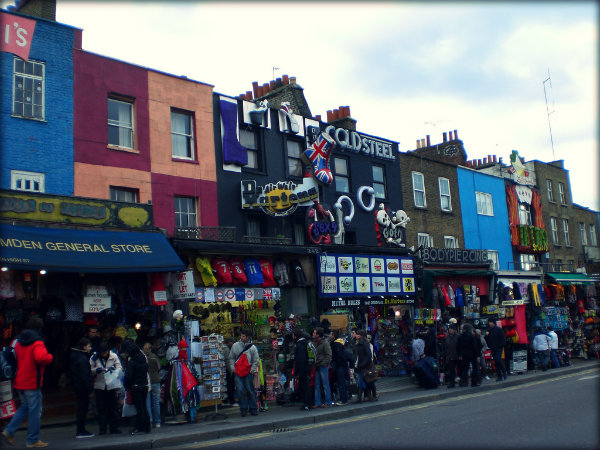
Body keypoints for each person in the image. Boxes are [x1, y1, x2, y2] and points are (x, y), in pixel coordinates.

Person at [1, 315, 53, 448]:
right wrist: (50, 357)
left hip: (19, 379)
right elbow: (41, 358)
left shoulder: (19, 341)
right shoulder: (37, 342)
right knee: (35, 410)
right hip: (31, 381)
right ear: (40, 327)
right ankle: (32, 439)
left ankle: (9, 431)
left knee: (25, 406)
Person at [90, 340, 123, 435]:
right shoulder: (94, 357)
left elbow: (120, 368)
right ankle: (102, 429)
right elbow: (90, 369)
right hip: (99, 386)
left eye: (105, 352)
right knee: (101, 408)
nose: (103, 354)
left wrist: (114, 370)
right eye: (102, 353)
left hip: (111, 385)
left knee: (113, 407)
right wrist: (96, 370)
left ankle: (114, 428)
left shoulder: (114, 356)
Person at [121, 339, 151, 434]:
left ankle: (140, 426)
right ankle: (147, 426)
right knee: (144, 407)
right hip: (145, 385)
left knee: (139, 408)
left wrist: (127, 385)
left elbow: (128, 376)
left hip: (135, 386)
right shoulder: (143, 359)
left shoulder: (132, 362)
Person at [229, 329, 259, 417]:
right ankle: (243, 408)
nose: (241, 338)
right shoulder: (235, 346)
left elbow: (256, 360)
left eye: (243, 336)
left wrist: (252, 370)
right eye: (241, 336)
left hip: (248, 372)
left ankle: (253, 408)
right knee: (240, 390)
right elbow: (231, 358)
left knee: (250, 390)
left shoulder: (252, 347)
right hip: (238, 372)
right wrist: (233, 369)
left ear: (247, 337)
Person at [70, 337, 95, 439]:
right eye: (89, 346)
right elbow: (85, 376)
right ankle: (81, 430)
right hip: (83, 387)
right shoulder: (83, 359)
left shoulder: (74, 356)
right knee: (83, 408)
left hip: (78, 386)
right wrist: (89, 389)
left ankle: (81, 429)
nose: (90, 348)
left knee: (81, 408)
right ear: (84, 347)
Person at [352, 328, 376, 403]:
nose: (356, 335)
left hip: (366, 366)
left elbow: (369, 356)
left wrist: (362, 364)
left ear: (361, 336)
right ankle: (359, 398)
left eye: (357, 334)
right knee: (360, 382)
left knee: (369, 381)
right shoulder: (358, 343)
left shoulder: (365, 344)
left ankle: (374, 396)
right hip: (361, 366)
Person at [312, 327, 333, 408]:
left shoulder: (325, 343)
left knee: (325, 384)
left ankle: (328, 402)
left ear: (318, 335)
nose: (313, 334)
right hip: (316, 365)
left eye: (314, 333)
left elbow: (329, 355)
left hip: (323, 366)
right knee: (317, 385)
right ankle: (318, 402)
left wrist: (324, 363)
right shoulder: (314, 342)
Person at [330, 329, 352, 405]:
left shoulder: (336, 345)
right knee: (343, 382)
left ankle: (343, 399)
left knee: (341, 383)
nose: (330, 336)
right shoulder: (341, 343)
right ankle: (345, 397)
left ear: (333, 336)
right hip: (343, 365)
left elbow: (338, 357)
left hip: (340, 366)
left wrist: (335, 365)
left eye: (331, 334)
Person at [292, 327, 312, 411]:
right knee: (305, 386)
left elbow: (300, 359)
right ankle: (307, 403)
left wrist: (298, 371)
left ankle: (307, 404)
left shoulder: (300, 345)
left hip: (303, 370)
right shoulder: (305, 342)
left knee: (305, 387)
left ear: (296, 336)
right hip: (307, 368)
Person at [142, 342, 161, 428]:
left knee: (148, 403)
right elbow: (159, 367)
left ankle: (149, 421)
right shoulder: (154, 357)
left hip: (147, 381)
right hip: (156, 380)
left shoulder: (142, 358)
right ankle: (157, 422)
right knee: (156, 402)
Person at [456, 323, 480, 387]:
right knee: (475, 368)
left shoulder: (460, 336)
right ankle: (474, 382)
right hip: (472, 354)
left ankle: (463, 382)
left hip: (464, 354)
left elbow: (458, 346)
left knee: (465, 369)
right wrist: (477, 355)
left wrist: (459, 355)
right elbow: (474, 347)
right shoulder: (472, 336)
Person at [222, 337, 237, 406]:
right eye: (232, 342)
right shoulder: (227, 349)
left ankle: (225, 401)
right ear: (229, 342)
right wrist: (231, 371)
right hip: (229, 370)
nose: (233, 343)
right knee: (230, 386)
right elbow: (228, 361)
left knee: (227, 386)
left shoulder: (226, 348)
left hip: (226, 370)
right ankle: (231, 401)